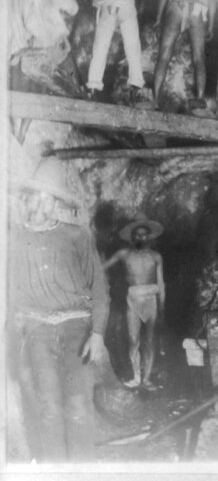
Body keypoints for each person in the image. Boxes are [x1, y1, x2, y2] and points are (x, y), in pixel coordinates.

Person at [8, 158, 109, 461]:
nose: (41, 204)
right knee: (49, 411)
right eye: (35, 197)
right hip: (37, 332)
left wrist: (98, 334)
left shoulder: (77, 235)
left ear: (55, 203)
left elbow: (100, 288)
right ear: (26, 200)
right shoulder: (14, 238)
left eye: (48, 198)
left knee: (78, 409)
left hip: (76, 331)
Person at [153, 0, 216, 114]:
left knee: (164, 54)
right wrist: (211, 25)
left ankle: (156, 99)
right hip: (197, 10)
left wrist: (159, 17)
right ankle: (199, 100)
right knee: (198, 58)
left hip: (177, 7)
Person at [82, 0, 148, 104]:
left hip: (105, 8)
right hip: (124, 5)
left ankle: (93, 87)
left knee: (100, 48)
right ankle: (136, 86)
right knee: (132, 47)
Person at [103, 218, 165, 390]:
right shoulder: (124, 254)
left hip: (151, 300)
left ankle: (146, 379)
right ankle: (136, 377)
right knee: (133, 340)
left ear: (149, 237)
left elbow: (161, 283)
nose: (141, 238)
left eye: (144, 235)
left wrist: (162, 305)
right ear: (132, 238)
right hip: (133, 299)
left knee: (150, 341)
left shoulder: (155, 256)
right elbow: (103, 267)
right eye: (137, 235)